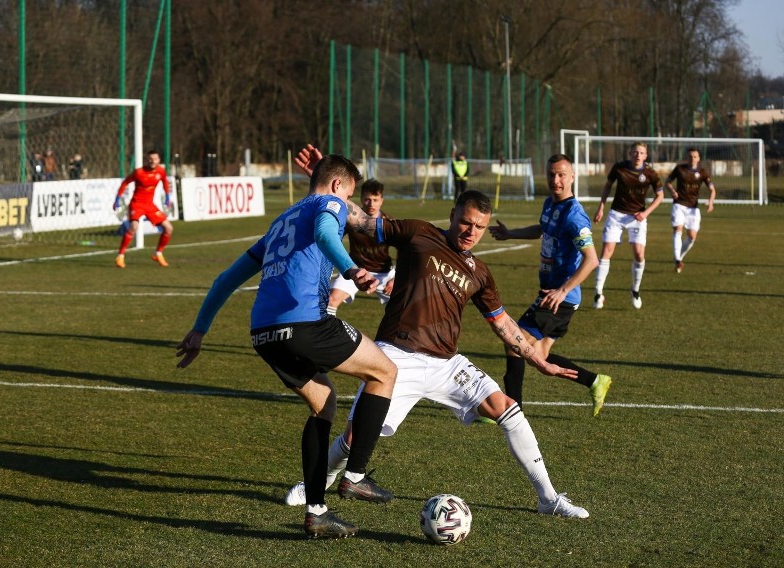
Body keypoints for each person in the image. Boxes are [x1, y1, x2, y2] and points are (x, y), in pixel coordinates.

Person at [284, 145, 590, 520]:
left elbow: (504, 325)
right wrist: (325, 184)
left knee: (507, 409)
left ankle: (549, 499)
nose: (471, 232)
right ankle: (316, 483)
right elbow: (362, 220)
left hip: (447, 363)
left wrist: (539, 360)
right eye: (466, 222)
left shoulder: (480, 273)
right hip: (395, 357)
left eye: (479, 227)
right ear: (453, 215)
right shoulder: (419, 234)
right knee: (353, 438)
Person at [175, 154, 397, 540]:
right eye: (350, 195)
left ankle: (316, 513)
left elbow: (225, 279)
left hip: (263, 333)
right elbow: (329, 234)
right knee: (385, 371)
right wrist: (350, 269)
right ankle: (355, 476)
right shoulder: (328, 204)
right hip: (305, 322)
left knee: (323, 403)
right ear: (338, 187)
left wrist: (199, 330)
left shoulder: (280, 223)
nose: (349, 204)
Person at [489, 154, 612, 417]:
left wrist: (563, 290)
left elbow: (591, 260)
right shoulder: (549, 204)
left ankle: (511, 411)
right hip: (551, 293)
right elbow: (542, 229)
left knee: (514, 342)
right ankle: (594, 381)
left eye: (561, 175)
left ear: (572, 177)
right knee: (538, 355)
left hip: (560, 297)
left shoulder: (575, 216)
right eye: (551, 175)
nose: (555, 180)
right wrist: (511, 233)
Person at [592, 141, 663, 309]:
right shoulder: (619, 168)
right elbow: (607, 186)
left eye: (641, 153)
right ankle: (598, 293)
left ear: (646, 156)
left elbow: (660, 196)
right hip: (616, 215)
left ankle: (635, 290)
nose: (638, 155)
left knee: (639, 254)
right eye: (635, 152)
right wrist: (601, 207)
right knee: (606, 251)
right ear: (630, 153)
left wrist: (645, 213)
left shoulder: (651, 173)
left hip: (636, 218)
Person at [327, 179, 395, 316]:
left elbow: (407, 251)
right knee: (330, 300)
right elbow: (333, 239)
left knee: (403, 309)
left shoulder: (389, 223)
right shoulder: (351, 220)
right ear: (361, 199)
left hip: (384, 273)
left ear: (382, 200)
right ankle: (325, 336)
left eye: (375, 200)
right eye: (367, 199)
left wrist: (396, 279)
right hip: (356, 270)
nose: (371, 204)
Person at [112, 149, 174, 268]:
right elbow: (125, 182)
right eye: (150, 159)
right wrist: (117, 198)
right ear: (147, 160)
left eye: (155, 159)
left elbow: (165, 183)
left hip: (150, 205)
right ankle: (120, 256)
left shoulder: (161, 171)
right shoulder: (139, 172)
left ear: (159, 160)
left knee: (168, 228)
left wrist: (167, 196)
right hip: (137, 204)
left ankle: (158, 254)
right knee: (134, 227)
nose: (153, 161)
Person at [664, 148, 716, 273]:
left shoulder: (702, 172)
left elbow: (712, 190)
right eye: (690, 156)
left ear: (698, 159)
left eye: (695, 156)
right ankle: (677, 260)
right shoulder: (679, 169)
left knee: (692, 236)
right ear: (687, 158)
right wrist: (672, 191)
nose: (692, 158)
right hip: (679, 205)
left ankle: (679, 257)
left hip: (693, 208)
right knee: (678, 229)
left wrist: (711, 202)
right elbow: (667, 182)